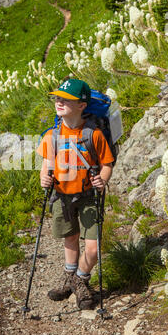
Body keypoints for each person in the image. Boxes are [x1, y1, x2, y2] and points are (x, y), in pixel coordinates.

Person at [37, 78, 114, 310]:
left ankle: (80, 279)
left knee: (93, 247)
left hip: (89, 196)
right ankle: (71, 278)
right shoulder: (52, 136)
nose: (59, 102)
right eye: (57, 98)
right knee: (69, 240)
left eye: (66, 99)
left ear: (82, 105)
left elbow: (108, 164)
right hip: (61, 195)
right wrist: (44, 178)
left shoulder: (94, 135)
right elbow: (46, 163)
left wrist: (103, 179)